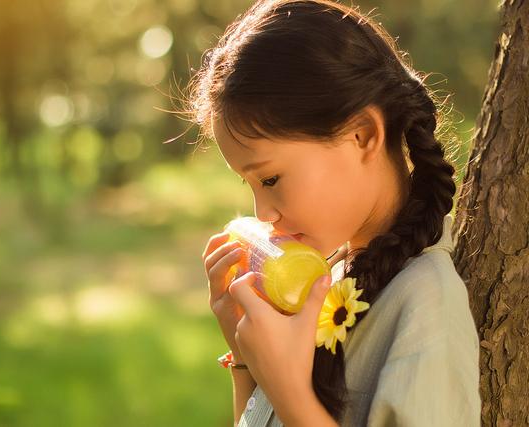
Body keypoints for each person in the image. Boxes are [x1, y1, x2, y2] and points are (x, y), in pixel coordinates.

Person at [192, 0, 481, 426]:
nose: (262, 213)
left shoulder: (426, 305)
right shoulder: (327, 278)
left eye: (269, 179)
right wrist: (247, 362)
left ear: (362, 135)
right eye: (248, 184)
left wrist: (289, 391)